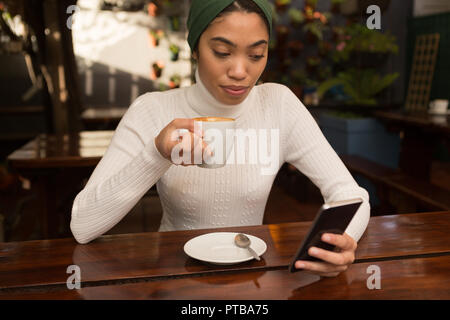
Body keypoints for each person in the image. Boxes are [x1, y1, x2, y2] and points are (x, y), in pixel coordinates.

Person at [70, 0, 370, 278]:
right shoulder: (152, 110)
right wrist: (155, 155)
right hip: (175, 276)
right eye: (222, 52)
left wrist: (340, 246)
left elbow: (351, 194)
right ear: (195, 48)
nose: (240, 71)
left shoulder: (278, 105)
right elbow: (83, 226)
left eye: (256, 55)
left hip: (253, 276)